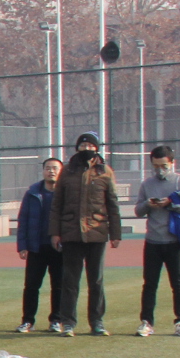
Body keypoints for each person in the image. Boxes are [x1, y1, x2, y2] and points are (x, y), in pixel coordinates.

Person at [50, 132, 122, 335]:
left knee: (96, 280)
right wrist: (55, 232)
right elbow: (57, 204)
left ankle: (97, 321)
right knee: (70, 281)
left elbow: (113, 204)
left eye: (90, 146)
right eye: (83, 146)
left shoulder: (105, 171)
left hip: (96, 233)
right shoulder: (67, 171)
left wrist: (115, 233)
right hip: (71, 233)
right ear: (77, 148)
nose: (86, 149)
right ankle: (68, 322)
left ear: (96, 148)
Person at [135, 146, 180, 337]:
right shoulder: (147, 184)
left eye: (164, 166)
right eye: (156, 166)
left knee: (178, 283)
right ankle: (146, 322)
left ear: (172, 163)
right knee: (150, 284)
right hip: (153, 241)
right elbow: (138, 211)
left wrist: (171, 202)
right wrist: (148, 204)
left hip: (174, 242)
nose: (160, 170)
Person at [14, 158, 66, 333]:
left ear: (61, 171)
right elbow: (23, 219)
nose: (51, 171)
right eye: (48, 168)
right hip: (36, 247)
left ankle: (56, 320)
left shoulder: (66, 193)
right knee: (31, 286)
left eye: (55, 168)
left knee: (58, 286)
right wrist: (22, 245)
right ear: (43, 171)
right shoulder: (33, 193)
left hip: (59, 248)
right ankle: (28, 321)